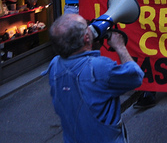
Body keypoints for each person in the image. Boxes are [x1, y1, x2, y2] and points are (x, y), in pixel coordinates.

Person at [46, 13, 143, 143]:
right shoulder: (100, 67)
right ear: (86, 38)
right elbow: (135, 76)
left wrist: (91, 48)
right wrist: (120, 46)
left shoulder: (54, 65)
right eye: (87, 27)